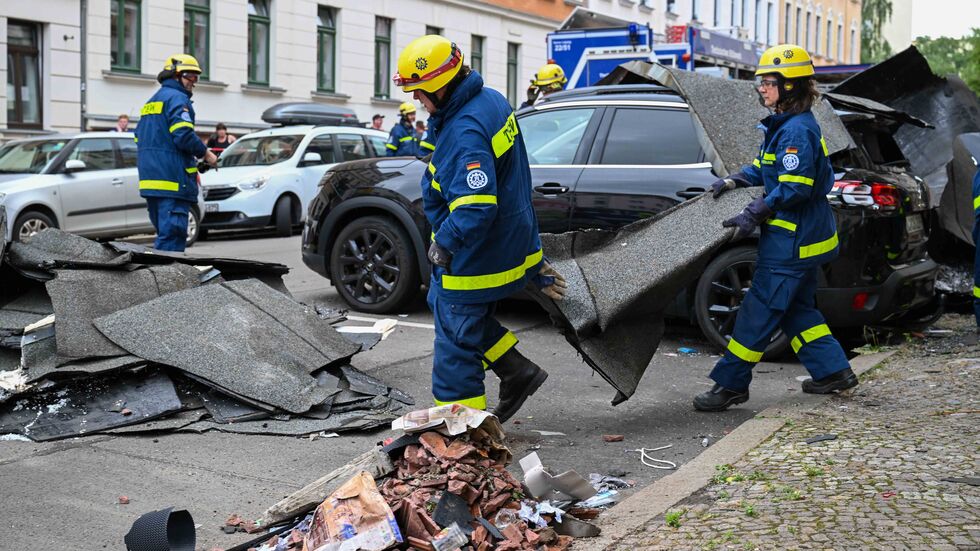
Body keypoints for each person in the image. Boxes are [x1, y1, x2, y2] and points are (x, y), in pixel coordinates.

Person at [393, 35, 567, 422]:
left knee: (455, 341)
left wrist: (445, 244)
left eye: (420, 92)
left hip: (477, 251)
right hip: (511, 238)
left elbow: (475, 207)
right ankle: (516, 370)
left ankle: (464, 431)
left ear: (439, 86)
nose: (418, 102)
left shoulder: (465, 131)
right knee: (451, 311)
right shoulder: (489, 100)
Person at [694, 43, 857, 412]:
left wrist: (756, 211)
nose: (761, 89)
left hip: (791, 243)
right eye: (761, 83)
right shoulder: (783, 126)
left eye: (768, 82)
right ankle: (834, 372)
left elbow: (795, 187)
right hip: (802, 240)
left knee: (758, 310)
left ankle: (730, 385)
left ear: (789, 86)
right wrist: (735, 180)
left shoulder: (796, 130)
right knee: (797, 309)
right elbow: (765, 168)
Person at [134, 54, 216, 252]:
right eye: (191, 76)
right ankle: (166, 281)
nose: (194, 82)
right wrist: (206, 154)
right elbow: (183, 135)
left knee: (165, 234)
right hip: (173, 181)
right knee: (172, 239)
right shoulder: (178, 99)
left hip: (152, 182)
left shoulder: (151, 102)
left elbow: (139, 137)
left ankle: (162, 279)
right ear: (175, 75)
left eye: (197, 77)